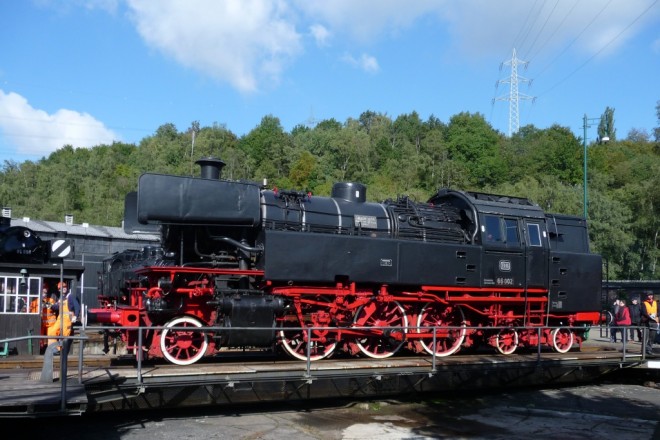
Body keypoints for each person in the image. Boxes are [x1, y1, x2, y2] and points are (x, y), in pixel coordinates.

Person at [50, 283, 81, 354]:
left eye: (65, 287)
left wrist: (75, 316)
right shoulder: (61, 298)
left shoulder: (70, 296)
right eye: (61, 288)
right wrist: (50, 306)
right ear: (59, 290)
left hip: (67, 319)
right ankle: (56, 349)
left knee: (64, 335)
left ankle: (62, 351)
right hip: (60, 318)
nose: (63, 288)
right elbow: (57, 307)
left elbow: (77, 307)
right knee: (53, 332)